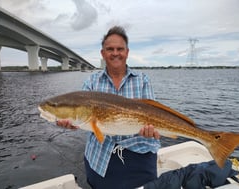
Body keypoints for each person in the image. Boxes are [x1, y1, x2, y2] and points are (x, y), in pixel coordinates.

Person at [57, 26, 161, 189]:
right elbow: (81, 116)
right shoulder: (91, 82)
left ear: (127, 52)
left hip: (140, 156)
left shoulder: (143, 80)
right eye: (110, 49)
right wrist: (71, 123)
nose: (115, 53)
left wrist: (151, 130)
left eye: (120, 49)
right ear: (103, 53)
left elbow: (153, 114)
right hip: (100, 158)